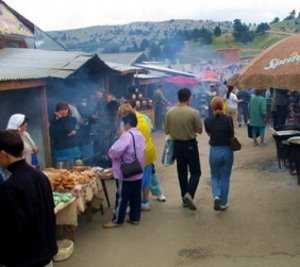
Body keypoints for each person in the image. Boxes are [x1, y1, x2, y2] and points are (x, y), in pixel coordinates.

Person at [0, 130, 57, 267]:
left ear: (3, 154)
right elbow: (50, 212)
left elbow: (12, 229)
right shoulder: (41, 176)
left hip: (27, 259)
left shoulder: (10, 187)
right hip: (46, 253)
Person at [118, 102, 166, 211]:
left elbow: (125, 140)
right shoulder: (144, 117)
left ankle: (130, 205)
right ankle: (145, 202)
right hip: (148, 152)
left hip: (135, 155)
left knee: (132, 179)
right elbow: (150, 130)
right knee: (146, 179)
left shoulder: (127, 123)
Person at [103, 113, 145, 229]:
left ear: (127, 124)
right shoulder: (139, 134)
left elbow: (114, 151)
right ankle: (134, 218)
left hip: (126, 172)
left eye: (122, 123)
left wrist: (110, 154)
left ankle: (117, 220)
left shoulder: (127, 135)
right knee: (136, 197)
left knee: (122, 197)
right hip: (137, 170)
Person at [165, 88, 203, 210]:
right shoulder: (193, 112)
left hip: (177, 145)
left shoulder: (170, 112)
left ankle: (184, 198)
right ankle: (189, 194)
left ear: (178, 97)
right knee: (196, 172)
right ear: (189, 97)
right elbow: (200, 130)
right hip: (190, 145)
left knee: (182, 172)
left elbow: (166, 131)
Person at [204, 97, 234, 211]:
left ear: (212, 107)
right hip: (227, 150)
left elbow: (209, 133)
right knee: (225, 177)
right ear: (222, 106)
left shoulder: (207, 120)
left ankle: (216, 195)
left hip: (214, 151)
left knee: (215, 176)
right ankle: (223, 203)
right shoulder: (228, 119)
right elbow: (231, 133)